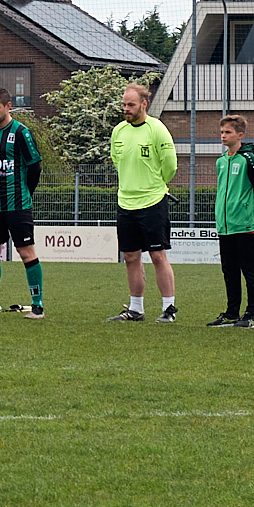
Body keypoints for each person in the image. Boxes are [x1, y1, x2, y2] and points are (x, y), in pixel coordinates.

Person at [107, 80, 178, 324]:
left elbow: (170, 166)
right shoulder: (119, 131)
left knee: (158, 256)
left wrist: (155, 186)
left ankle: (168, 309)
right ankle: (136, 309)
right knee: (130, 256)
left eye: (131, 105)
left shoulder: (157, 129)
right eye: (124, 104)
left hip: (153, 202)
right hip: (126, 203)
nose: (126, 109)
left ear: (144, 104)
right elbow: (117, 160)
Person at [0, 86, 42, 319]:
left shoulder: (21, 132)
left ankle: (37, 306)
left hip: (17, 204)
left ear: (8, 106)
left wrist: (25, 193)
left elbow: (34, 168)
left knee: (25, 252)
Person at [205, 116, 254, 327]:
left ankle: (252, 313)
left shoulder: (248, 159)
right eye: (222, 132)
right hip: (225, 225)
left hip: (245, 224)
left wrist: (253, 216)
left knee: (249, 270)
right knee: (229, 270)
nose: (223, 136)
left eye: (228, 132)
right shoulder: (221, 161)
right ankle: (232, 312)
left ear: (240, 135)